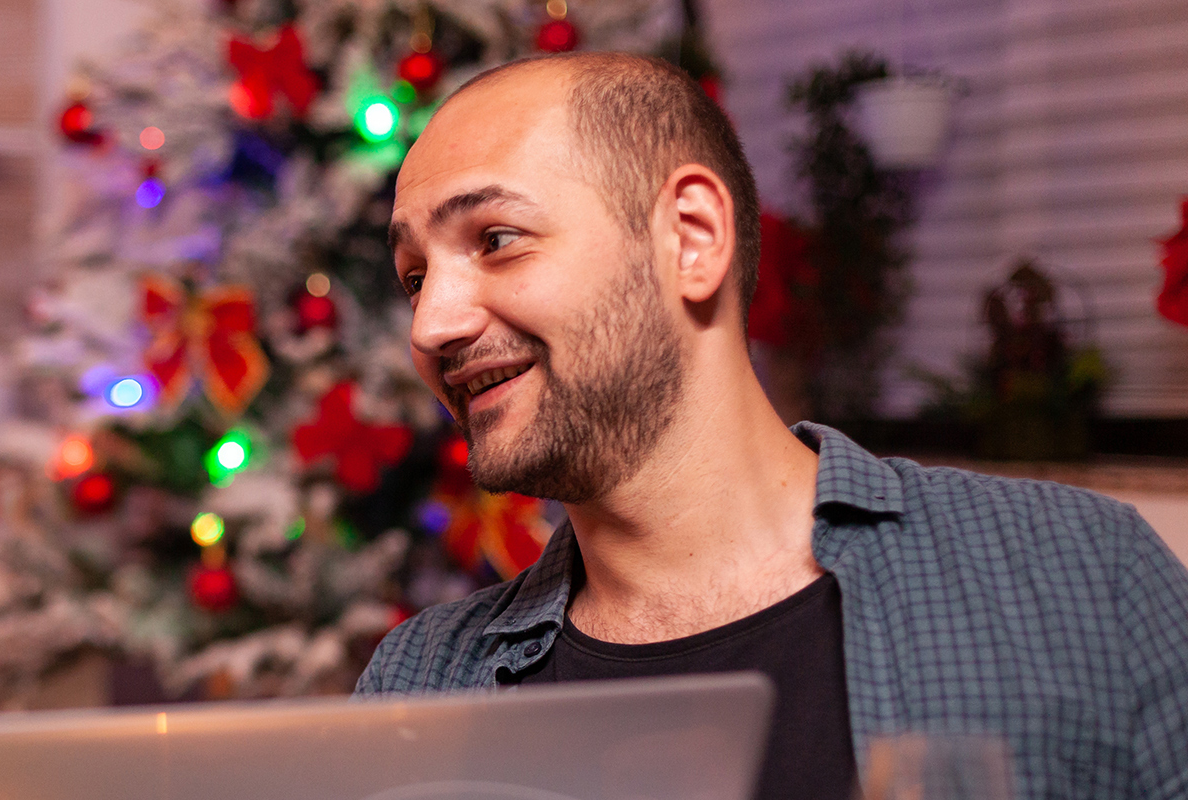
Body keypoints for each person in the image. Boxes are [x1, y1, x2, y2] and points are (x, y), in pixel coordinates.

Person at [358, 51, 1188, 799]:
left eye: (497, 239)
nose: (431, 326)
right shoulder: (421, 684)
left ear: (691, 238)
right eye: (414, 277)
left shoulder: (1076, 576)